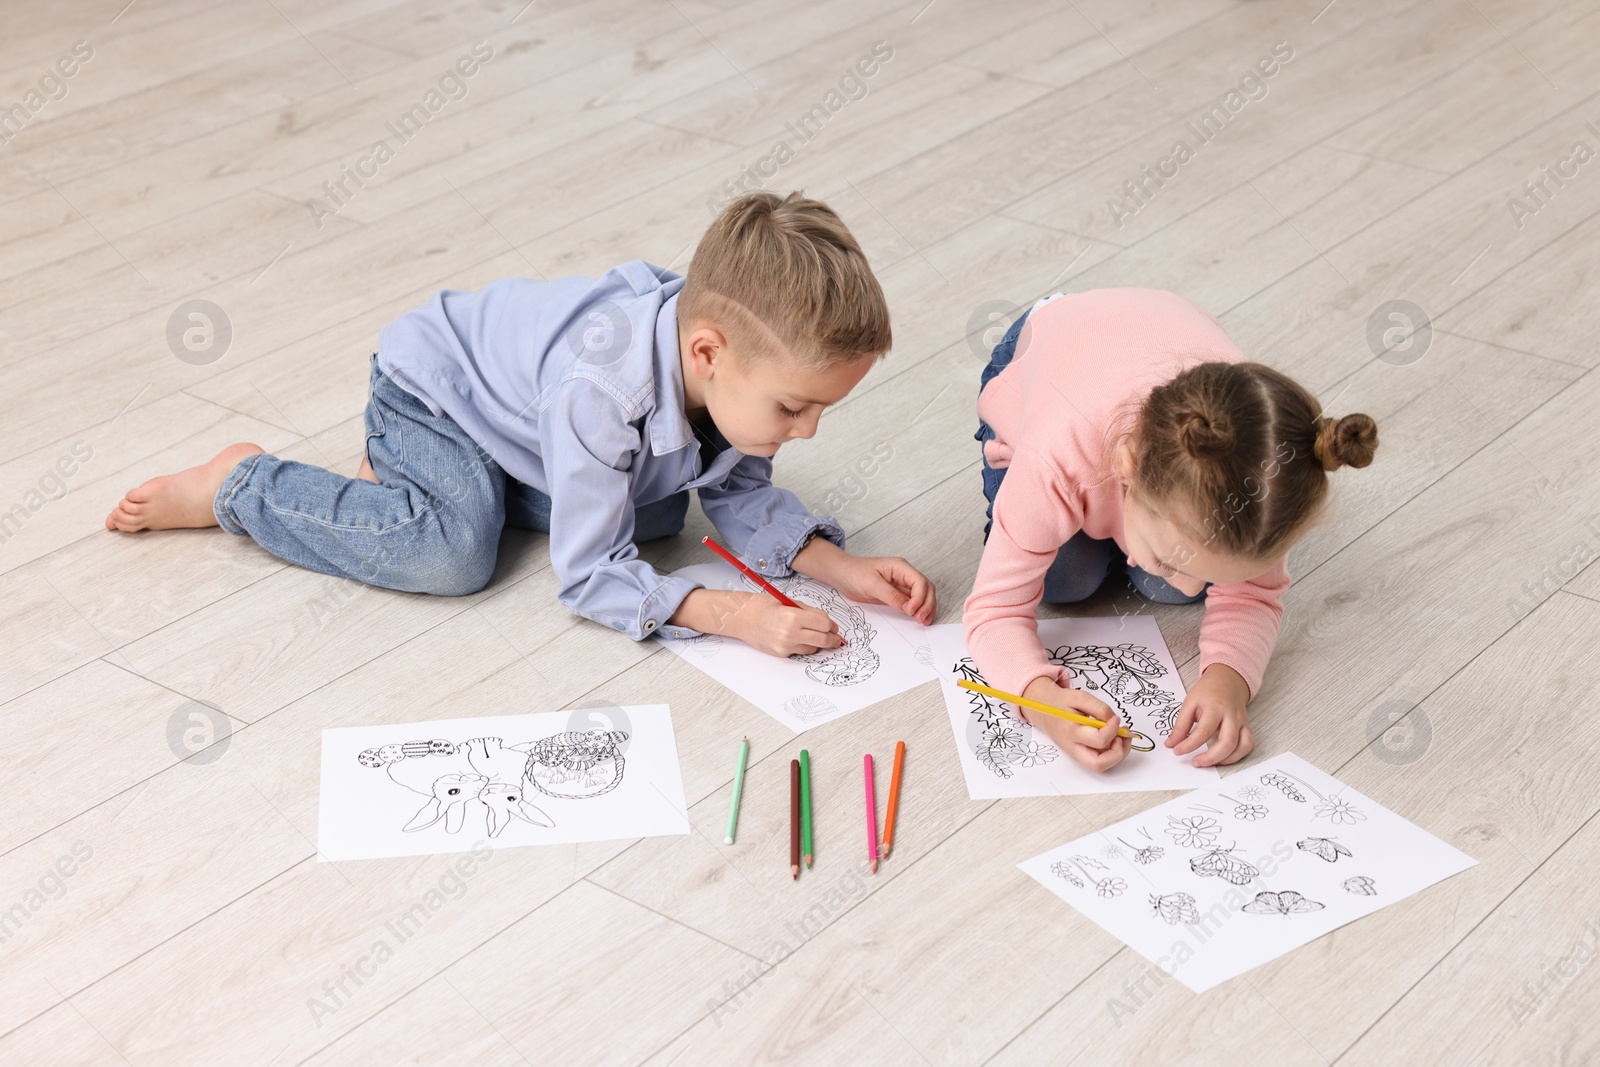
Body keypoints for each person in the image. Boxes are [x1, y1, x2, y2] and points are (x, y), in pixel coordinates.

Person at [106, 192, 936, 654]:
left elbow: (738, 488)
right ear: (709, 352)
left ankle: (416, 480)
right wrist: (733, 615)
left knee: (654, 513)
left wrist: (838, 565)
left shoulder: (723, 358)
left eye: (823, 409)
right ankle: (243, 483)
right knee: (455, 550)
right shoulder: (601, 387)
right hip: (433, 393)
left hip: (528, 424)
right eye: (794, 409)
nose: (809, 431)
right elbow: (585, 578)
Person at [965, 289, 1377, 769]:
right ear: (1128, 466)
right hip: (1043, 352)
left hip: (1160, 348)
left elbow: (1253, 597)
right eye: (1172, 561)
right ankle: (1115, 535)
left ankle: (1135, 542)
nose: (1188, 585)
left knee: (1164, 590)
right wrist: (1041, 702)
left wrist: (1228, 678)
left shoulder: (1259, 483)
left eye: (1207, 575)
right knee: (1067, 580)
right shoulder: (1054, 459)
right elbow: (993, 611)